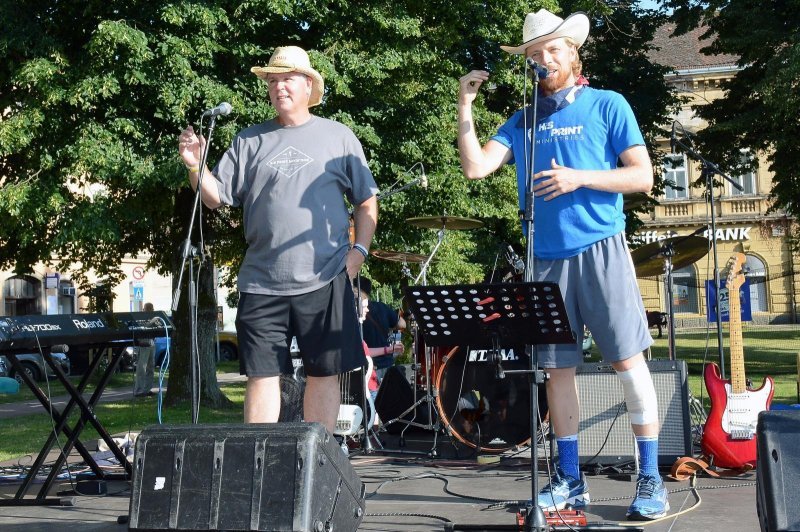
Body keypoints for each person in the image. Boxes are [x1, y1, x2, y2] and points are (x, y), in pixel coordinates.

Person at [457, 9, 667, 521]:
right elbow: (476, 167)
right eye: (534, 53)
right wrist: (464, 105)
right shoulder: (523, 118)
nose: (544, 59)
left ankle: (650, 477)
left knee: (627, 362)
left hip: (601, 248)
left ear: (574, 54)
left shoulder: (608, 104)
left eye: (553, 49)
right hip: (544, 258)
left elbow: (642, 176)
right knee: (557, 371)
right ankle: (570, 480)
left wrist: (580, 178)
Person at [178, 45, 378, 434]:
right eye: (272, 81)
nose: (278, 87)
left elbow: (366, 202)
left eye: (286, 79)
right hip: (262, 280)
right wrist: (195, 166)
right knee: (262, 374)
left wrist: (359, 252)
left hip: (326, 276)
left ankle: (318, 459)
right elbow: (216, 198)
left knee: (324, 372)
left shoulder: (338, 137)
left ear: (307, 85)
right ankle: (259, 460)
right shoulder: (249, 140)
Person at [355, 278, 405, 384]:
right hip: (386, 365)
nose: (366, 310)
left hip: (368, 369)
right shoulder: (381, 307)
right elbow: (402, 324)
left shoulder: (352, 315)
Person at [133, 302, 156, 397]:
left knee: (150, 368)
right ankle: (139, 390)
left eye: (151, 309)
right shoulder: (140, 318)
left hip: (151, 343)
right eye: (148, 309)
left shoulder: (154, 318)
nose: (151, 310)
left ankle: (147, 389)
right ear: (144, 309)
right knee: (141, 368)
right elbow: (141, 329)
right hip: (143, 344)